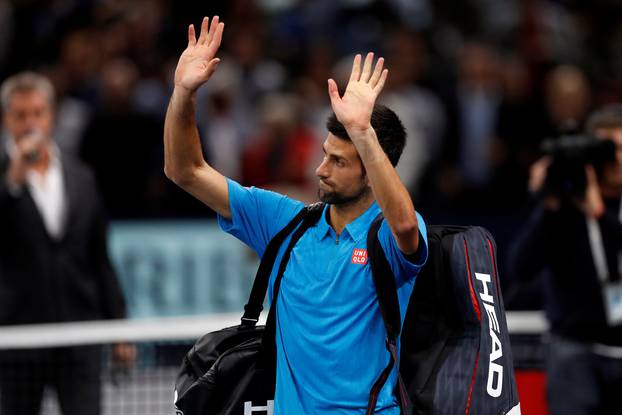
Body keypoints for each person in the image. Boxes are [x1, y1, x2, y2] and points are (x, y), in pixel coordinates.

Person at [164, 16, 428, 414]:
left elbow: (406, 226)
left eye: (339, 161)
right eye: (325, 154)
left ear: (374, 172)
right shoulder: (283, 221)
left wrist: (363, 133)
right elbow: (185, 170)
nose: (320, 169)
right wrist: (183, 93)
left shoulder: (387, 236)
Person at [0, 72, 135, 415]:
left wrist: (119, 327)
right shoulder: (3, 179)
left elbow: (99, 258)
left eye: (37, 112)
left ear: (51, 115)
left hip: (79, 335)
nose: (30, 123)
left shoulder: (82, 178)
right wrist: (12, 184)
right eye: (20, 115)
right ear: (6, 120)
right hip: (17, 340)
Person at [510, 104, 622, 415]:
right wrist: (548, 204)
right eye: (606, 149)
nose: (614, 158)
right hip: (574, 351)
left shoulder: (598, 209)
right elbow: (521, 267)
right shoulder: (564, 205)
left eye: (621, 148)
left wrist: (599, 214)